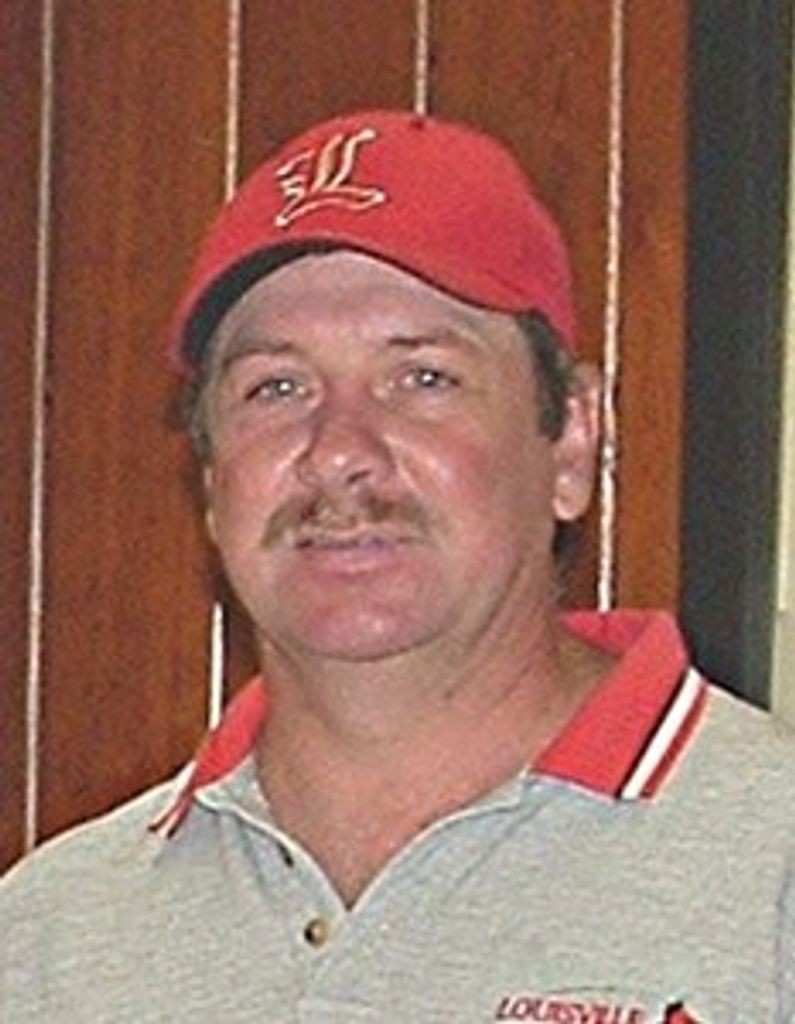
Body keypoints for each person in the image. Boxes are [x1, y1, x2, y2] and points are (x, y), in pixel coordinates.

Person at [2, 109, 794, 1024]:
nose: (340, 452)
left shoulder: (768, 870)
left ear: (572, 440)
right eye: (276, 387)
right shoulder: (50, 940)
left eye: (422, 378)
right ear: (213, 480)